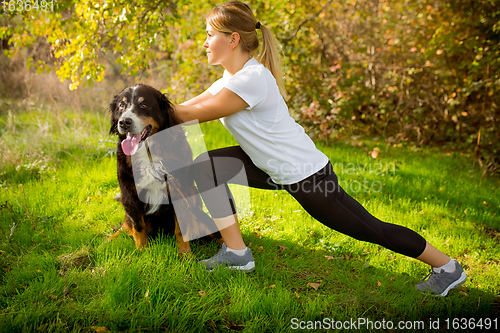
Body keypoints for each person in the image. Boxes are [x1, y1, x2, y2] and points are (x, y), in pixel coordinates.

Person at [172, 0, 466, 297]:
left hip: (307, 176)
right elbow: (181, 108)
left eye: (210, 35)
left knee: (372, 229)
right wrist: (141, 112)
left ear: (233, 39)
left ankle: (448, 267)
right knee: (205, 166)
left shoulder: (251, 80)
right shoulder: (231, 78)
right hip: (271, 168)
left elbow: (186, 115)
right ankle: (237, 254)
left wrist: (139, 111)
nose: (205, 42)